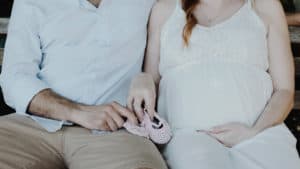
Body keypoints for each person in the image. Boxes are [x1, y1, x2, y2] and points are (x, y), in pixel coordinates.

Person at [128, 0, 300, 168]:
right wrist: (142, 78)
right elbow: (151, 82)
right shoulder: (165, 10)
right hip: (188, 137)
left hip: (259, 134)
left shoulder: (265, 6)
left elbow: (284, 91)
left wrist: (253, 132)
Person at [0, 0, 168, 169]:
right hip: (32, 125)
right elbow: (14, 78)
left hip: (117, 130)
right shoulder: (31, 2)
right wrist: (78, 112)